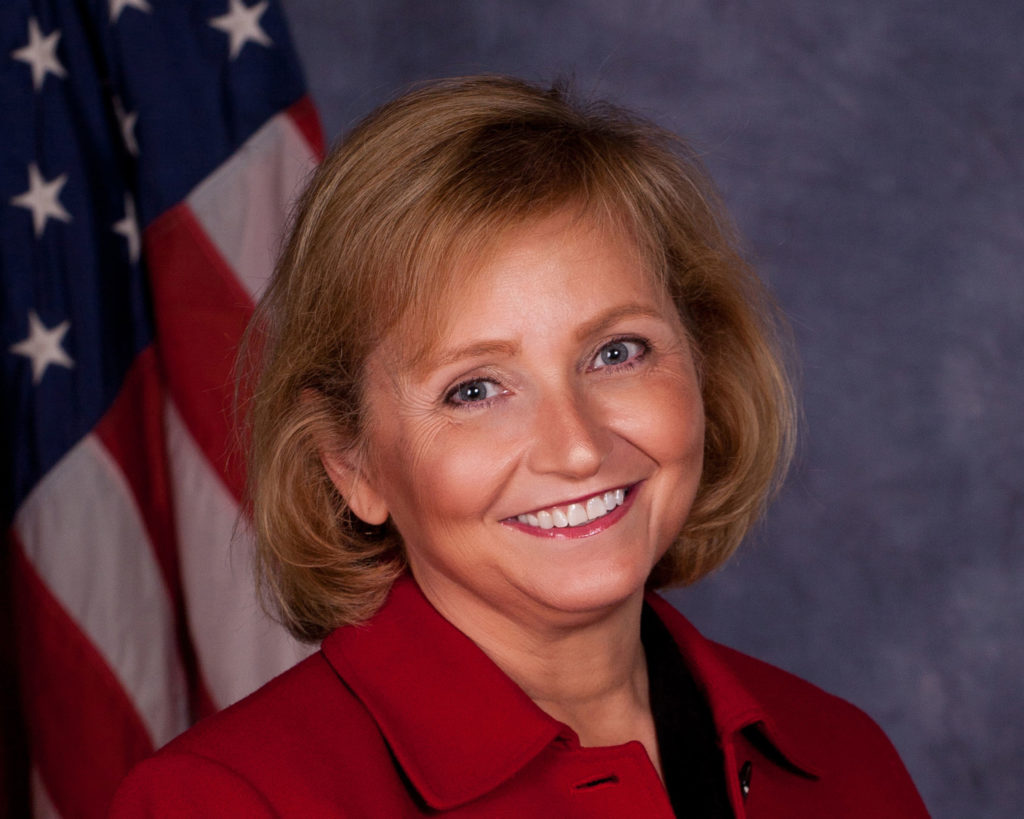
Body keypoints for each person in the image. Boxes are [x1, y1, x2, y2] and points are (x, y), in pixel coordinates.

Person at [110, 75, 929, 817]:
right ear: (349, 459)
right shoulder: (222, 802)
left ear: (703, 363)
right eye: (474, 389)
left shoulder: (844, 758)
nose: (576, 448)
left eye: (617, 352)